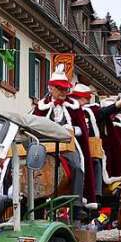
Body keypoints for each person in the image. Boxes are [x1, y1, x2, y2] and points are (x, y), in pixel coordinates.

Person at [31, 65, 91, 210]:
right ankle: (33, 202)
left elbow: (83, 130)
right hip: (45, 145)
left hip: (67, 145)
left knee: (77, 167)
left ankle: (76, 205)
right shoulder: (41, 106)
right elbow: (33, 126)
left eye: (66, 89)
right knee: (32, 167)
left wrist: (70, 130)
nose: (64, 92)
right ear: (51, 88)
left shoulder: (74, 106)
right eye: (60, 88)